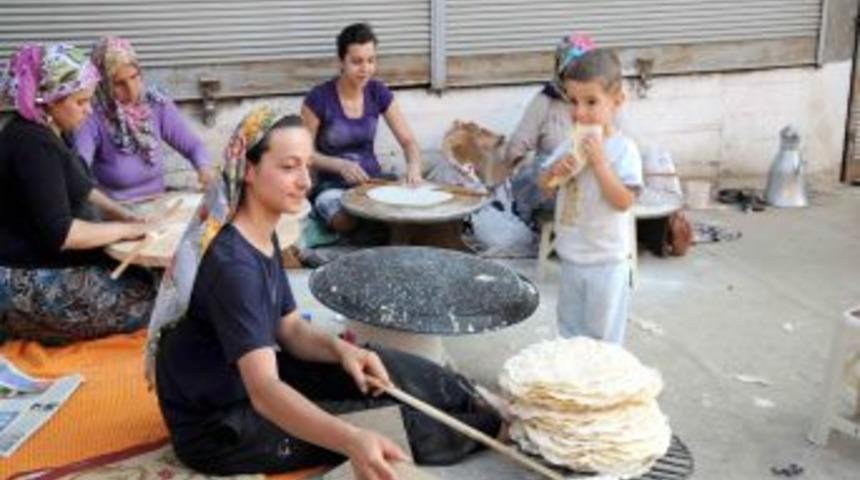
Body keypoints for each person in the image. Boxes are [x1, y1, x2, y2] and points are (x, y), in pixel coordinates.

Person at [148, 106, 501, 477]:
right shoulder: (233, 265)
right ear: (249, 170)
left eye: (306, 165)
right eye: (288, 167)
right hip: (220, 424)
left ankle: (472, 398)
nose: (304, 181)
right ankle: (493, 427)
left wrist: (341, 349)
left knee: (370, 361)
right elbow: (265, 391)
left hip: (249, 376)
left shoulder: (260, 233)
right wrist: (350, 439)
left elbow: (290, 329)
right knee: (384, 427)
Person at [0, 43, 158, 344]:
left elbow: (82, 188)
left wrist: (125, 215)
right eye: (80, 101)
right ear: (49, 100)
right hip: (24, 283)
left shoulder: (46, 132)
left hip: (35, 270)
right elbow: (63, 233)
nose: (89, 110)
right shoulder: (32, 145)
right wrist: (127, 230)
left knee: (152, 281)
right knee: (157, 304)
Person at [538, 48, 643, 344]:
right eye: (573, 102)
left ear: (617, 101)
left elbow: (624, 201)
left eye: (591, 102)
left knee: (603, 338)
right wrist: (556, 172)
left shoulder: (624, 150)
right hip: (571, 255)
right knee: (569, 332)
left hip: (606, 261)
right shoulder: (569, 144)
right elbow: (543, 186)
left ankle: (603, 389)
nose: (580, 112)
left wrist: (598, 164)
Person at [301, 23, 423, 233]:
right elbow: (303, 154)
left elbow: (408, 142)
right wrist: (339, 165)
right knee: (345, 220)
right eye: (356, 61)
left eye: (371, 60)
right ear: (341, 61)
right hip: (332, 187)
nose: (365, 68)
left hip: (372, 183)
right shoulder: (318, 98)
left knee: (408, 212)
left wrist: (414, 166)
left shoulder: (378, 92)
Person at [75, 37, 213, 202]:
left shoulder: (155, 103)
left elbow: (193, 146)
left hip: (158, 205)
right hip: (115, 212)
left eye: (134, 77)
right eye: (119, 83)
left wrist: (204, 171)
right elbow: (78, 174)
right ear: (103, 83)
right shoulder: (91, 115)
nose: (132, 90)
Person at [505, 33, 595, 226]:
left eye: (584, 74)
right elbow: (515, 150)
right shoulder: (545, 101)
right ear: (561, 72)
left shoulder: (603, 101)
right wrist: (542, 166)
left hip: (596, 184)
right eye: (572, 73)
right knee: (538, 167)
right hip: (555, 189)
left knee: (652, 157)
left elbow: (622, 142)